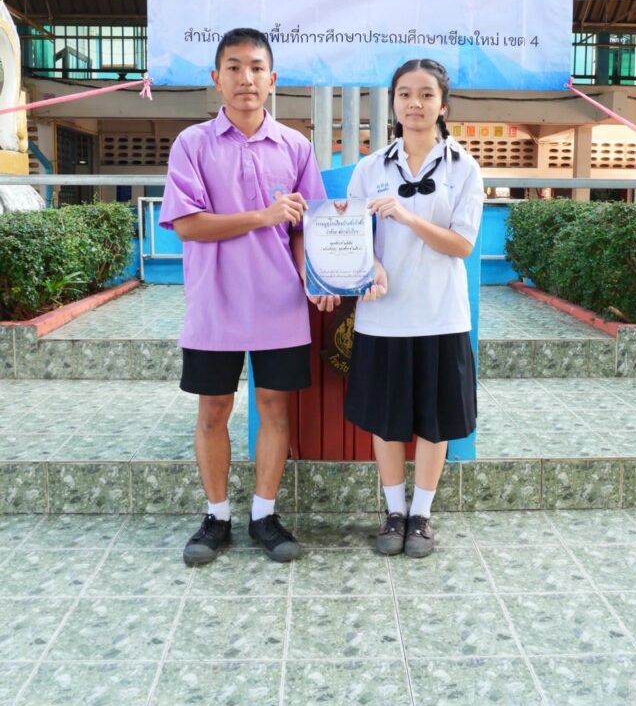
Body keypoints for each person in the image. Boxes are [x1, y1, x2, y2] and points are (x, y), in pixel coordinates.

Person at [159, 28, 335, 565]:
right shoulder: (192, 144)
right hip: (214, 304)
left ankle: (264, 514)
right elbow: (188, 224)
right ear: (217, 78)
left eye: (256, 67)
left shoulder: (296, 147)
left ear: (272, 79)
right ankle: (217, 516)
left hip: (279, 304)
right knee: (213, 411)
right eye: (234, 67)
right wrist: (263, 216)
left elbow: (308, 226)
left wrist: (314, 277)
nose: (246, 78)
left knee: (275, 409)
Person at [344, 58, 484, 558]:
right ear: (393, 103)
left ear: (443, 105)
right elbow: (353, 238)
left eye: (426, 94)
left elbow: (462, 245)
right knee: (387, 420)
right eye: (404, 94)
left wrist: (405, 216)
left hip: (441, 314)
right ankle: (394, 511)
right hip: (383, 315)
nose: (415, 103)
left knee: (435, 419)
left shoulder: (464, 168)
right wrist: (373, 266)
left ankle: (421, 514)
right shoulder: (370, 168)